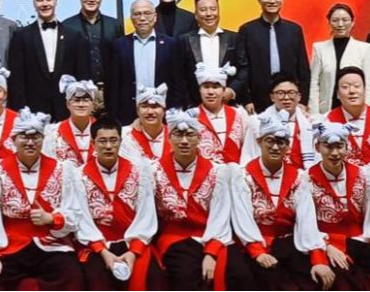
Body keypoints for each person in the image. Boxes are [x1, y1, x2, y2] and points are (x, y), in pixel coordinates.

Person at [0, 108, 82, 291]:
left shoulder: (62, 169)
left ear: (43, 139)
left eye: (36, 137)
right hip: (10, 244)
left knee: (72, 275)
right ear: (13, 140)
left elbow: (74, 211)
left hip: (51, 244)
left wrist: (52, 218)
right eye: (24, 137)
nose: (30, 142)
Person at [230, 110, 336, 292]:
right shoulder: (243, 176)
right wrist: (257, 251)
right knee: (267, 279)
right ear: (259, 142)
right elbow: (242, 217)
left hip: (289, 242)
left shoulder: (299, 177)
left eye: (281, 142)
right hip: (252, 243)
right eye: (270, 141)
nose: (275, 147)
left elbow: (306, 219)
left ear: (288, 146)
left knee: (314, 278)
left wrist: (318, 258)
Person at [144, 109, 243, 290]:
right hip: (175, 237)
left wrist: (211, 252)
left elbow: (221, 215)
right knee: (186, 274)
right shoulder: (153, 171)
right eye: (178, 135)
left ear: (199, 138)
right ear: (169, 138)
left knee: (238, 273)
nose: (184, 141)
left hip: (214, 235)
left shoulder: (218, 172)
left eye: (190, 135)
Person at [307, 122, 370, 291]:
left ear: (347, 147)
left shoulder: (363, 174)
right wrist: (326, 246)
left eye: (340, 146)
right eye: (328, 147)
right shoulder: (306, 179)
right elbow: (305, 222)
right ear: (317, 147)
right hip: (327, 241)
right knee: (342, 276)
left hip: (360, 238)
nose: (335, 153)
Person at [69, 116, 157, 291]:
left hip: (133, 243)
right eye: (102, 141)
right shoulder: (78, 176)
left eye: (113, 140)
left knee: (152, 279)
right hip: (96, 246)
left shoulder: (140, 173)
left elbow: (146, 215)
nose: (108, 146)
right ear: (93, 143)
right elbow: (82, 219)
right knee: (95, 280)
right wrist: (103, 251)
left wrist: (133, 252)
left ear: (120, 141)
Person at [7, 0, 90, 120]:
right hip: (33, 112)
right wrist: (20, 110)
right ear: (34, 4)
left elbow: (82, 75)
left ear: (56, 1)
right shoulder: (21, 36)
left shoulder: (74, 36)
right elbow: (16, 78)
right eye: (40, 0)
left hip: (67, 109)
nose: (45, 4)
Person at [234, 0, 310, 113]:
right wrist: (246, 100)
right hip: (257, 100)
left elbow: (303, 68)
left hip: (289, 98)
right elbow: (242, 68)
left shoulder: (294, 30)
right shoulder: (247, 30)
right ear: (259, 0)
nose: (272, 1)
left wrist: (303, 101)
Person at [107, 0, 179, 123]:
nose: (142, 18)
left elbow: (177, 83)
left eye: (147, 13)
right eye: (137, 14)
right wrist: (114, 118)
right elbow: (113, 86)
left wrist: (174, 113)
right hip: (128, 115)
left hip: (163, 114)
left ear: (155, 17)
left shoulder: (170, 44)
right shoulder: (119, 45)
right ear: (131, 18)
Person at [310, 3, 370, 114]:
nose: (340, 24)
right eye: (335, 20)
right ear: (329, 23)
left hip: (355, 110)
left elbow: (369, 84)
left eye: (345, 20)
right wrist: (314, 114)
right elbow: (314, 83)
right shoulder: (319, 48)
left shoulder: (365, 48)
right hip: (326, 110)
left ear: (352, 22)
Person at [176, 0, 238, 108]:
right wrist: (188, 103)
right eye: (203, 10)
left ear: (219, 11)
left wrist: (232, 91)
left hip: (228, 105)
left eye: (213, 9)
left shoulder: (234, 38)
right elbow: (179, 76)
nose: (209, 14)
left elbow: (243, 69)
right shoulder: (184, 40)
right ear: (196, 14)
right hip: (195, 106)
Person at [241, 75, 316, 169]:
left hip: (301, 175)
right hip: (266, 174)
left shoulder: (310, 123)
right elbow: (248, 154)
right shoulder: (258, 122)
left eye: (291, 93)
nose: (286, 97)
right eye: (280, 93)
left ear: (299, 97)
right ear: (272, 97)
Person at [61, 0, 124, 86]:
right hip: (79, 90)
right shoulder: (67, 26)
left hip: (110, 88)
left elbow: (121, 59)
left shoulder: (114, 25)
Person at [192, 62, 251, 165]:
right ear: (199, 90)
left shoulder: (239, 115)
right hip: (204, 172)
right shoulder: (191, 117)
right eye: (206, 87)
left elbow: (248, 150)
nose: (210, 92)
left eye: (215, 87)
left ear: (224, 90)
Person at [42, 77, 97, 165]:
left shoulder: (103, 131)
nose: (81, 105)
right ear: (68, 104)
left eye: (86, 100)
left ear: (93, 104)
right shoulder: (53, 132)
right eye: (76, 100)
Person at [119, 84, 171, 165]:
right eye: (144, 106)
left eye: (155, 107)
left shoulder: (175, 134)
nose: (150, 112)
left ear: (164, 110)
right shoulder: (125, 135)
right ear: (137, 110)